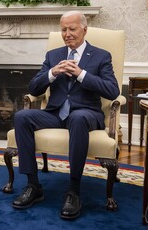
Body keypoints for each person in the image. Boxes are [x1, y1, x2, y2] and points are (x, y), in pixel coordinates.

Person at [11, 11, 120, 220]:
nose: (67, 34)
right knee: (22, 117)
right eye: (63, 29)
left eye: (72, 29)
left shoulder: (101, 56)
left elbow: (112, 90)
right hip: (55, 114)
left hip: (86, 113)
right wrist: (53, 73)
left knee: (78, 118)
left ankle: (73, 190)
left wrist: (81, 74)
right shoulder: (53, 55)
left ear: (84, 29)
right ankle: (33, 185)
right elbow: (33, 87)